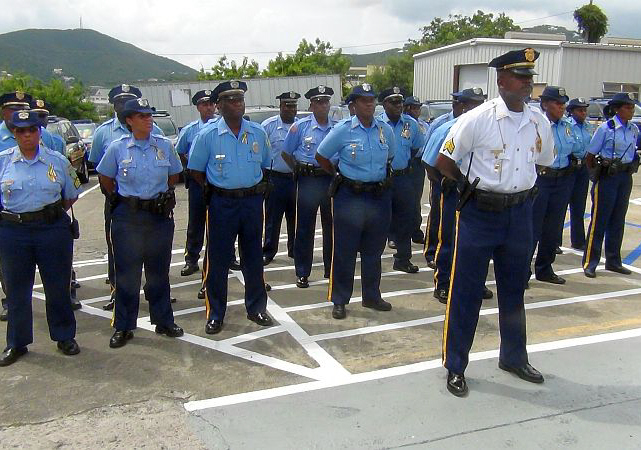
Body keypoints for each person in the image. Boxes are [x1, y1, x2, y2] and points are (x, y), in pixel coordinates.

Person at [436, 48, 554, 397]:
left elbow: (544, 160)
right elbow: (445, 160)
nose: (526, 85)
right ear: (501, 81)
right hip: (480, 215)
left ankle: (514, 357)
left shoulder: (538, 121)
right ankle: (455, 365)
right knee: (466, 292)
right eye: (520, 78)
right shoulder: (478, 119)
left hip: (519, 215)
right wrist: (467, 187)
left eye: (530, 79)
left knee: (515, 290)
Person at [188, 80, 274, 335]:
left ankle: (256, 307)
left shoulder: (257, 133)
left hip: (251, 202)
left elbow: (265, 164)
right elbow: (195, 171)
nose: (238, 104)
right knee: (218, 260)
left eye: (240, 99)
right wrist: (217, 190)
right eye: (232, 100)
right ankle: (216, 313)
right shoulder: (208, 135)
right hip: (222, 204)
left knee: (253, 257)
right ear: (220, 106)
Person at [96, 98, 184, 348]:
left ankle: (163, 320)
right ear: (129, 121)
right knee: (127, 275)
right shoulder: (117, 147)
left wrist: (161, 197)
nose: (148, 119)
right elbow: (105, 176)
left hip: (157, 216)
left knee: (158, 272)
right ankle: (124, 326)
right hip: (128, 217)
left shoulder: (164, 146)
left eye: (149, 115)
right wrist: (120, 199)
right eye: (142, 116)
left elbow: (173, 174)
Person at [0, 110, 81, 366]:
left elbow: (71, 194)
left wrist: (48, 216)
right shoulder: (2, 162)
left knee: (58, 286)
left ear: (39, 132)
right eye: (21, 131)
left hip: (51, 229)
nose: (27, 135)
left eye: (32, 130)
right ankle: (17, 342)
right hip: (14, 231)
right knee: (16, 290)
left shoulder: (57, 161)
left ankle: (64, 336)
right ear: (14, 134)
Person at [315, 83, 397, 319]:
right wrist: (336, 174)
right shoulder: (343, 130)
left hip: (378, 196)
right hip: (350, 196)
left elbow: (389, 156)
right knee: (345, 250)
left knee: (374, 250)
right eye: (363, 100)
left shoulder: (385, 130)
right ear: (353, 105)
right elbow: (321, 155)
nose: (369, 104)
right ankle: (340, 299)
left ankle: (371, 296)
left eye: (372, 100)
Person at [89, 84, 166, 311]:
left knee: (157, 263)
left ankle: (159, 306)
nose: (123, 105)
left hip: (155, 209)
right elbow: (100, 169)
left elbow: (172, 173)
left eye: (128, 100)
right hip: (121, 205)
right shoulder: (105, 133)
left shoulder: (158, 135)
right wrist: (115, 196)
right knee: (122, 259)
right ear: (117, 108)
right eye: (120, 102)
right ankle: (117, 295)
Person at [420, 88, 489, 304]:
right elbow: (429, 161)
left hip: (480, 193)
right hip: (454, 192)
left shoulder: (488, 130)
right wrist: (443, 183)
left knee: (477, 242)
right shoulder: (448, 129)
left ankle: (475, 282)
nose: (476, 109)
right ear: (459, 106)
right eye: (471, 104)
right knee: (448, 239)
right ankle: (443, 284)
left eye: (480, 104)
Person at [282, 85, 337, 288]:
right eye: (318, 102)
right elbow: (286, 152)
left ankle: (330, 268)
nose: (323, 106)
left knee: (331, 227)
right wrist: (297, 170)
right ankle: (303, 272)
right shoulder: (300, 127)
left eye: (326, 102)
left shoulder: (336, 127)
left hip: (329, 179)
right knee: (304, 227)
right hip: (308, 180)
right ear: (311, 105)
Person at [528, 86, 582, 285]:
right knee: (532, 226)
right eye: (558, 104)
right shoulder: (535, 124)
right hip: (541, 178)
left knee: (553, 226)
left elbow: (576, 148)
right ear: (545, 104)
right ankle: (523, 271)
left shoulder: (567, 126)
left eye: (563, 104)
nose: (562, 107)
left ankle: (544, 268)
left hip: (563, 179)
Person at [583, 92, 640, 278]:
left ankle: (613, 260)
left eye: (632, 107)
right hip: (608, 177)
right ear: (617, 109)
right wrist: (597, 174)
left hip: (624, 176)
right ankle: (590, 262)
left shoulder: (633, 129)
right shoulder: (606, 129)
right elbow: (590, 156)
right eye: (627, 107)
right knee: (599, 220)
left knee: (618, 220)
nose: (631, 111)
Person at [378, 87, 425, 273]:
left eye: (400, 102)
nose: (399, 106)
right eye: (394, 102)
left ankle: (403, 258)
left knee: (406, 218)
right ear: (384, 104)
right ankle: (373, 259)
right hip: (382, 179)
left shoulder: (411, 125)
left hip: (404, 177)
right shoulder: (377, 123)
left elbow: (416, 149)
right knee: (379, 219)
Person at [177, 90, 217, 303]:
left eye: (211, 104)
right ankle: (192, 258)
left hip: (217, 182)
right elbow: (180, 151)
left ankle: (225, 257)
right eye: (204, 104)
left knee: (220, 222)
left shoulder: (222, 126)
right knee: (196, 222)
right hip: (197, 183)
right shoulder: (191, 130)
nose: (208, 107)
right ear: (198, 107)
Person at [0, 91, 33, 321]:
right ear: (3, 111)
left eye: (23, 107)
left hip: (45, 217)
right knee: (10, 268)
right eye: (13, 108)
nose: (19, 112)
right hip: (9, 216)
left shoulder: (43, 135)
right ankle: (9, 301)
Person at [421, 93, 464, 268]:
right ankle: (432, 251)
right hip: (445, 181)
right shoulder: (443, 125)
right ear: (457, 105)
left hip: (467, 185)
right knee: (440, 220)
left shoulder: (479, 127)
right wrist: (437, 180)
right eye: (469, 104)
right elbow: (428, 154)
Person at [261, 91, 300, 265]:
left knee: (296, 217)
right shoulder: (268, 126)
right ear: (280, 106)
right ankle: (269, 251)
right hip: (275, 179)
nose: (291, 109)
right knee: (272, 218)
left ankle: (294, 249)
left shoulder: (301, 126)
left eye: (293, 105)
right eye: (287, 105)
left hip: (296, 179)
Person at [565, 98, 595, 250]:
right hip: (569, 167)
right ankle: (555, 241)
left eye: (585, 110)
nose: (583, 113)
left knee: (579, 205)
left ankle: (578, 240)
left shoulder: (589, 127)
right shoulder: (567, 125)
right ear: (571, 111)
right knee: (561, 205)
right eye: (580, 110)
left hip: (583, 168)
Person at [403, 95, 429, 245]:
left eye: (419, 107)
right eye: (414, 107)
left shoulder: (424, 125)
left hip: (419, 164)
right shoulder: (405, 124)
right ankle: (394, 235)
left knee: (415, 200)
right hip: (407, 163)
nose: (417, 110)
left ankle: (416, 231)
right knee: (402, 200)